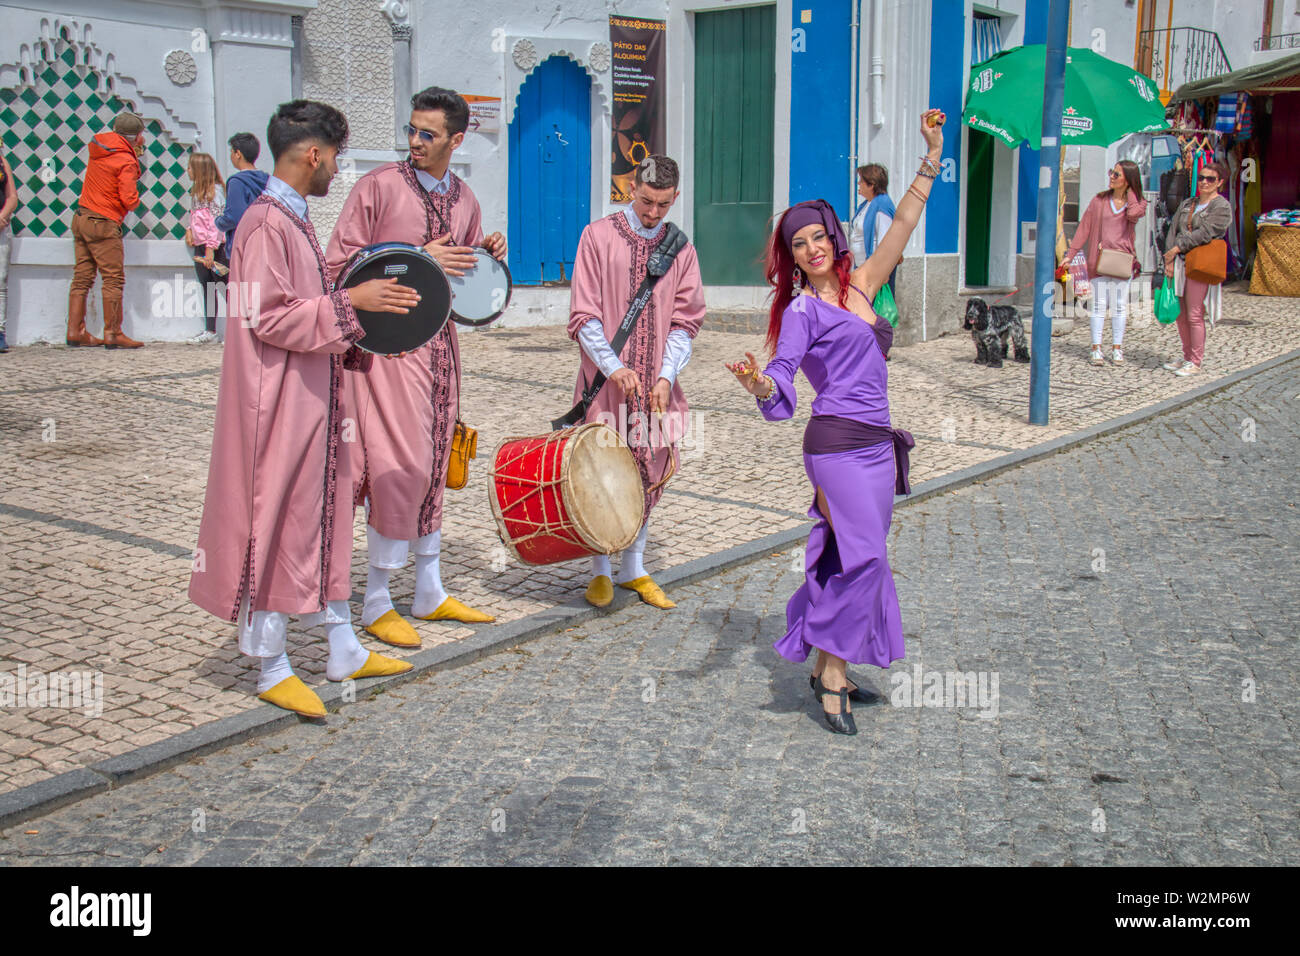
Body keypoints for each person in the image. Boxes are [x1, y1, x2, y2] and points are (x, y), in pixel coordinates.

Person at [189, 99, 422, 718]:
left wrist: (357, 329)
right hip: (277, 401)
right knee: (276, 520)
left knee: (322, 516)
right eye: (336, 157)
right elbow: (266, 314)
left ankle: (340, 643)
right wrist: (353, 304)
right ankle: (271, 665)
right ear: (314, 154)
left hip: (312, 394)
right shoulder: (267, 224)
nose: (336, 171)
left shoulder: (290, 217)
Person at [727, 109, 943, 735]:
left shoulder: (863, 287)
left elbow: (903, 222)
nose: (812, 248)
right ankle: (826, 675)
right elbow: (783, 373)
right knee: (867, 559)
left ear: (833, 237)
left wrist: (931, 152)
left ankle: (834, 668)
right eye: (799, 243)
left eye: (817, 236)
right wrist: (759, 383)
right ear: (791, 258)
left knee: (851, 559)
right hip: (834, 445)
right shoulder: (801, 309)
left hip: (878, 446)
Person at [326, 87, 505, 648]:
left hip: (442, 349)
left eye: (428, 134)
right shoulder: (376, 188)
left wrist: (487, 255)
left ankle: (428, 588)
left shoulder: (466, 198)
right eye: (411, 130)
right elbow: (340, 266)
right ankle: (377, 598)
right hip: (389, 351)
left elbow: (466, 279)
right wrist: (418, 255)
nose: (415, 142)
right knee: (396, 465)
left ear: (456, 139)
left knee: (435, 461)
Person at [567, 154, 706, 610]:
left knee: (649, 469)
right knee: (601, 470)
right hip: (606, 382)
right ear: (632, 189)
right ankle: (600, 571)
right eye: (646, 201)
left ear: (675, 198)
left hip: (655, 391)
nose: (652, 213)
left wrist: (666, 376)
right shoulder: (597, 237)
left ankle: (634, 567)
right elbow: (584, 315)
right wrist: (614, 367)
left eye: (663, 205)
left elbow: (686, 321)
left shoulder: (681, 248)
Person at [68, 110, 145, 349]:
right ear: (137, 137)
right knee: (113, 279)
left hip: (81, 217)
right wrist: (136, 200)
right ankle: (113, 332)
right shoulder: (126, 160)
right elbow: (129, 199)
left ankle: (75, 331)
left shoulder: (98, 148)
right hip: (103, 222)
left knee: (82, 278)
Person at [1062, 159, 1147, 366]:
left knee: (1119, 306)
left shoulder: (1137, 203)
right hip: (1098, 260)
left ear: (1128, 180)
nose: (1111, 176)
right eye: (1112, 172)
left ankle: (1117, 348)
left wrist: (1131, 194)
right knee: (1098, 305)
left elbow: (1134, 214)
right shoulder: (1099, 201)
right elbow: (1084, 228)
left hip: (1122, 261)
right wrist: (1070, 255)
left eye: (1117, 174)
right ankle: (1096, 348)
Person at [1163, 160, 1231, 377]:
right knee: (1180, 314)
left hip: (1200, 263)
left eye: (1210, 179)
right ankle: (1185, 356)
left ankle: (1195, 359)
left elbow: (1206, 233)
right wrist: (1169, 258)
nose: (1204, 182)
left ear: (1220, 182)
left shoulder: (1221, 207)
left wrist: (1177, 248)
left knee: (1194, 313)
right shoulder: (1188, 203)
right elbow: (1173, 228)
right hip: (1180, 261)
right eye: (1201, 177)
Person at [184, 152, 227, 344]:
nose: (188, 171)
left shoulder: (215, 192)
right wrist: (189, 230)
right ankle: (210, 331)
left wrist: (210, 249)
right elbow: (198, 219)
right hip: (200, 247)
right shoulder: (196, 193)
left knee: (227, 288)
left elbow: (216, 223)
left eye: (190, 167)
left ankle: (240, 332)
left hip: (215, 248)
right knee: (208, 287)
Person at [215, 132, 269, 264]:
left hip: (243, 246)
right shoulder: (268, 180)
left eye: (232, 152)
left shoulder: (237, 182)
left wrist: (218, 222)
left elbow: (234, 217)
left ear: (238, 154)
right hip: (265, 243)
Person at [0, 148, 15, 353]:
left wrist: (2, 215)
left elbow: (12, 196)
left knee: (0, 279)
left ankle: (0, 332)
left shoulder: (2, 163)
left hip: (1, 226)